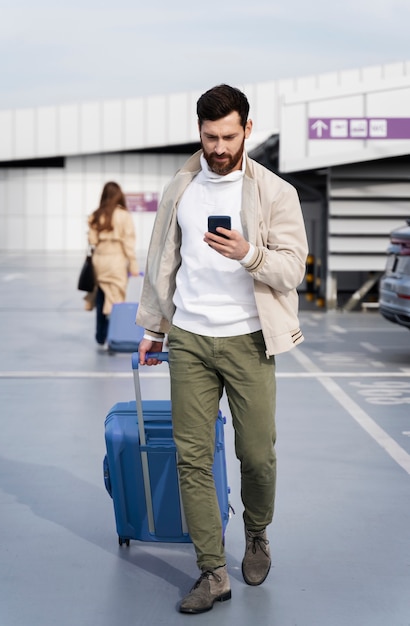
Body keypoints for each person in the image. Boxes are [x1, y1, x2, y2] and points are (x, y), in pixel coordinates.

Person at [136, 84, 308, 614]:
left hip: (250, 338)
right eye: (210, 136)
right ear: (200, 132)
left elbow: (292, 269)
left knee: (256, 454)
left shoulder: (275, 193)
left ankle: (256, 534)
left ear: (247, 130)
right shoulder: (180, 187)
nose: (218, 147)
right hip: (189, 337)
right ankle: (212, 570)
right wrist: (155, 328)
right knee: (192, 457)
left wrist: (249, 253)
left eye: (228, 136)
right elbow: (163, 261)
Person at [86, 181, 139, 347]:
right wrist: (133, 263)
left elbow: (92, 240)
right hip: (116, 260)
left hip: (99, 259)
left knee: (102, 296)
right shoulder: (124, 215)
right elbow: (128, 242)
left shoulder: (96, 214)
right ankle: (113, 335)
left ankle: (100, 336)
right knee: (116, 299)